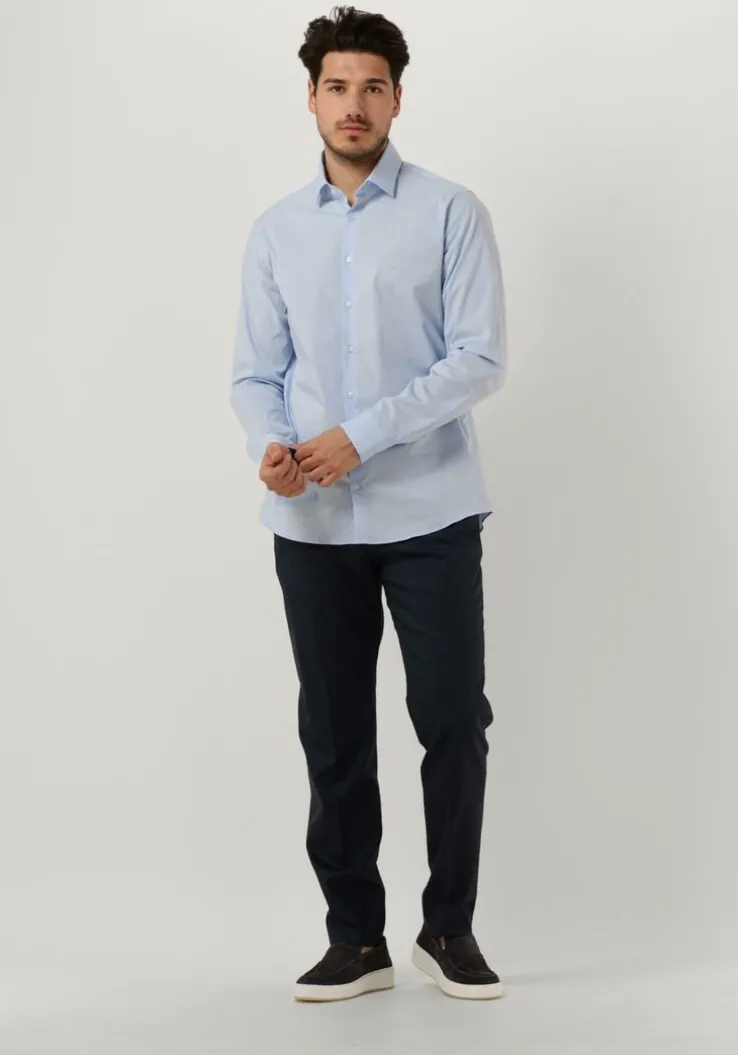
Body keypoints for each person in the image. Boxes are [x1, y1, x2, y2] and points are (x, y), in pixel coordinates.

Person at [230, 5, 507, 1003]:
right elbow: (256, 372)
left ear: (397, 98)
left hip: (432, 513)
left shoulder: (450, 212)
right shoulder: (275, 230)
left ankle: (449, 926)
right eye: (337, 86)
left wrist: (363, 434)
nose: (355, 104)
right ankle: (356, 938)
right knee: (335, 731)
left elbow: (478, 358)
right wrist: (272, 446)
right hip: (312, 525)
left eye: (373, 87)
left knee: (454, 721)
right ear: (312, 97)